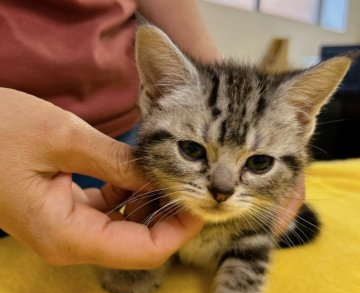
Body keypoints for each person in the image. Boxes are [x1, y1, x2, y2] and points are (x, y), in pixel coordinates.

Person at [0, 0, 304, 270]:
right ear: (155, 95)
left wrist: (214, 85)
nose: (221, 188)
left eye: (259, 162)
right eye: (194, 150)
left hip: (120, 136)